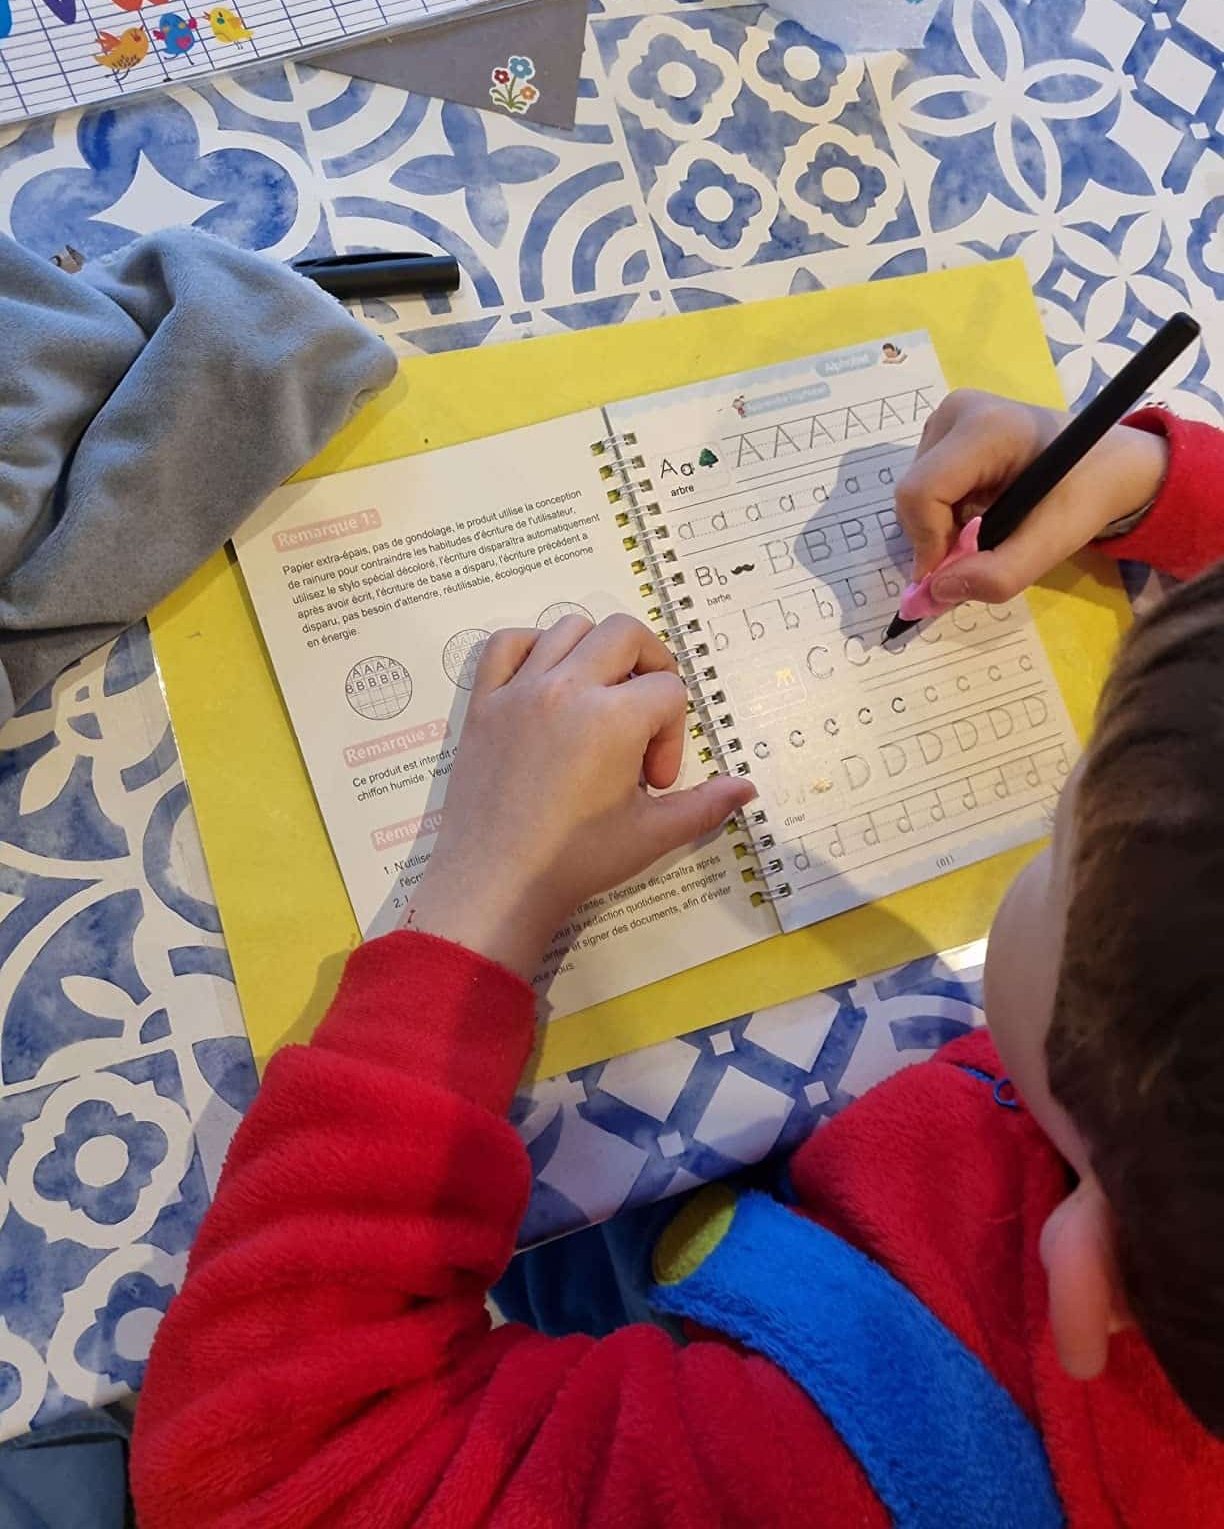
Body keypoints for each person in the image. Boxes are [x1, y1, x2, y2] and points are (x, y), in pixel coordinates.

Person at [131, 396, 1224, 1526]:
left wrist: (491, 889)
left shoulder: (837, 1478)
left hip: (717, 1311)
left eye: (1062, 836)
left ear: (1089, 1268)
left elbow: (268, 1478)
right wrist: (1151, 480)